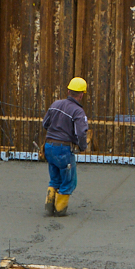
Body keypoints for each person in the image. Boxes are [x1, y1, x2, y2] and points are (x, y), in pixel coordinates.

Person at [42, 77, 89, 216]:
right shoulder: (78, 111)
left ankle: (49, 205)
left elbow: (45, 124)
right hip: (63, 149)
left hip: (49, 146)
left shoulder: (55, 104)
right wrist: (82, 146)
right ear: (81, 94)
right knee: (69, 181)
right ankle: (60, 209)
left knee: (55, 178)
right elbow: (81, 133)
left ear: (68, 90)